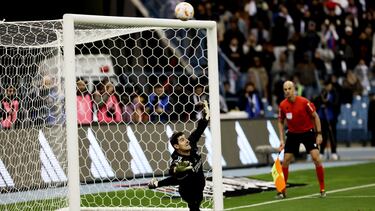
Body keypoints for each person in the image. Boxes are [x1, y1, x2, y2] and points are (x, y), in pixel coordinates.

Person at [148, 100, 210, 211]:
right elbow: (173, 172)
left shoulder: (191, 143)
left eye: (185, 138)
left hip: (199, 186)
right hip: (189, 192)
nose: (186, 141)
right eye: (182, 140)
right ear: (176, 146)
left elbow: (200, 129)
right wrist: (177, 170)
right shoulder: (178, 159)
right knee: (194, 203)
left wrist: (205, 116)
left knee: (196, 203)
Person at [277, 80, 326, 199]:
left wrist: (319, 134)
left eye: (289, 88)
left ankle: (322, 189)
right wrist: (282, 139)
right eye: (285, 89)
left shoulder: (304, 102)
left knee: (316, 158)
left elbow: (315, 116)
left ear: (294, 89)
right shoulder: (283, 105)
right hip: (293, 134)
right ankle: (282, 190)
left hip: (307, 133)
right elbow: (280, 121)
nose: (287, 91)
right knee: (286, 160)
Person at [313, 80, 340, 160]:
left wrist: (328, 103)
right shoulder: (322, 94)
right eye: (325, 85)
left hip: (331, 118)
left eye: (328, 85)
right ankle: (321, 152)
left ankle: (334, 152)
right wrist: (322, 102)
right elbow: (317, 102)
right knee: (323, 135)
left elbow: (336, 104)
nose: (327, 87)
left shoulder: (334, 94)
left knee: (332, 136)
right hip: (323, 118)